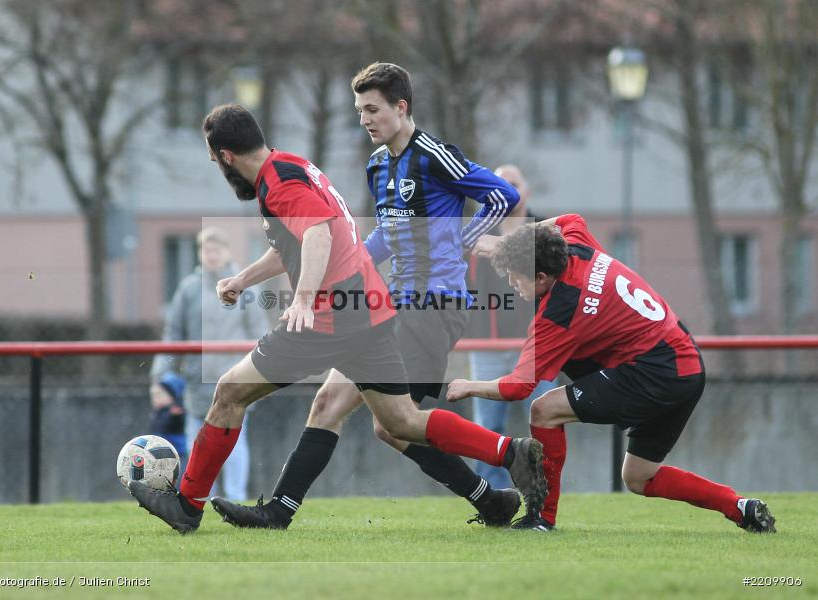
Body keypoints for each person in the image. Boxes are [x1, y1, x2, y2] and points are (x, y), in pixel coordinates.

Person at [127, 103, 546, 534]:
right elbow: (293, 242)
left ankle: (187, 505)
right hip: (368, 312)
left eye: (215, 161)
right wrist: (243, 279)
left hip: (331, 316)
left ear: (226, 157)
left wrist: (304, 299)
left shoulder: (279, 183)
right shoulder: (291, 166)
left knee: (230, 392)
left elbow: (317, 233)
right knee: (397, 421)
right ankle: (510, 453)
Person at [211, 62, 526, 531]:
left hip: (434, 305)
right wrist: (351, 260)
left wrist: (464, 239)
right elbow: (384, 237)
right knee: (352, 412)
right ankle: (493, 498)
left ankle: (511, 457)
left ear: (401, 107)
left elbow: (503, 197)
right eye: (359, 111)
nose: (365, 119)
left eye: (373, 109)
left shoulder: (435, 155)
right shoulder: (378, 165)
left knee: (391, 421)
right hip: (391, 303)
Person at [447, 214, 777, 533]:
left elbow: (517, 387)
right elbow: (569, 219)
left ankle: (542, 518)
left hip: (653, 372)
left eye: (515, 276)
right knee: (639, 477)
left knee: (544, 411)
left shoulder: (558, 313)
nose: (510, 283)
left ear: (542, 277)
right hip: (687, 364)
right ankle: (739, 506)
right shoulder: (577, 246)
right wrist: (507, 244)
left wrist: (468, 385)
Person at [151, 227, 269, 501]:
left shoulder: (245, 288)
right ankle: (198, 498)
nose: (212, 255)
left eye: (217, 250)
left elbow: (259, 333)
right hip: (197, 382)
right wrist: (160, 376)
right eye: (206, 250)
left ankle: (235, 499)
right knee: (197, 444)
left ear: (227, 251)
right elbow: (173, 334)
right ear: (199, 253)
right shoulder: (189, 289)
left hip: (236, 378)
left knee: (235, 443)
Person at [466, 164, 557, 490]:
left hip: (537, 347)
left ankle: (546, 490)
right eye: (500, 184)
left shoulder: (545, 230)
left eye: (514, 184)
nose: (508, 190)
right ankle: (493, 495)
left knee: (547, 419)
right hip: (486, 347)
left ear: (526, 191)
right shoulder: (475, 235)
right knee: (486, 429)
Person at [149, 372, 188, 460]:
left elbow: (165, 426)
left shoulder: (175, 412)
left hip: (177, 456)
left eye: (158, 394)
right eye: (152, 395)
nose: (154, 399)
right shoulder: (158, 413)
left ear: (171, 396)